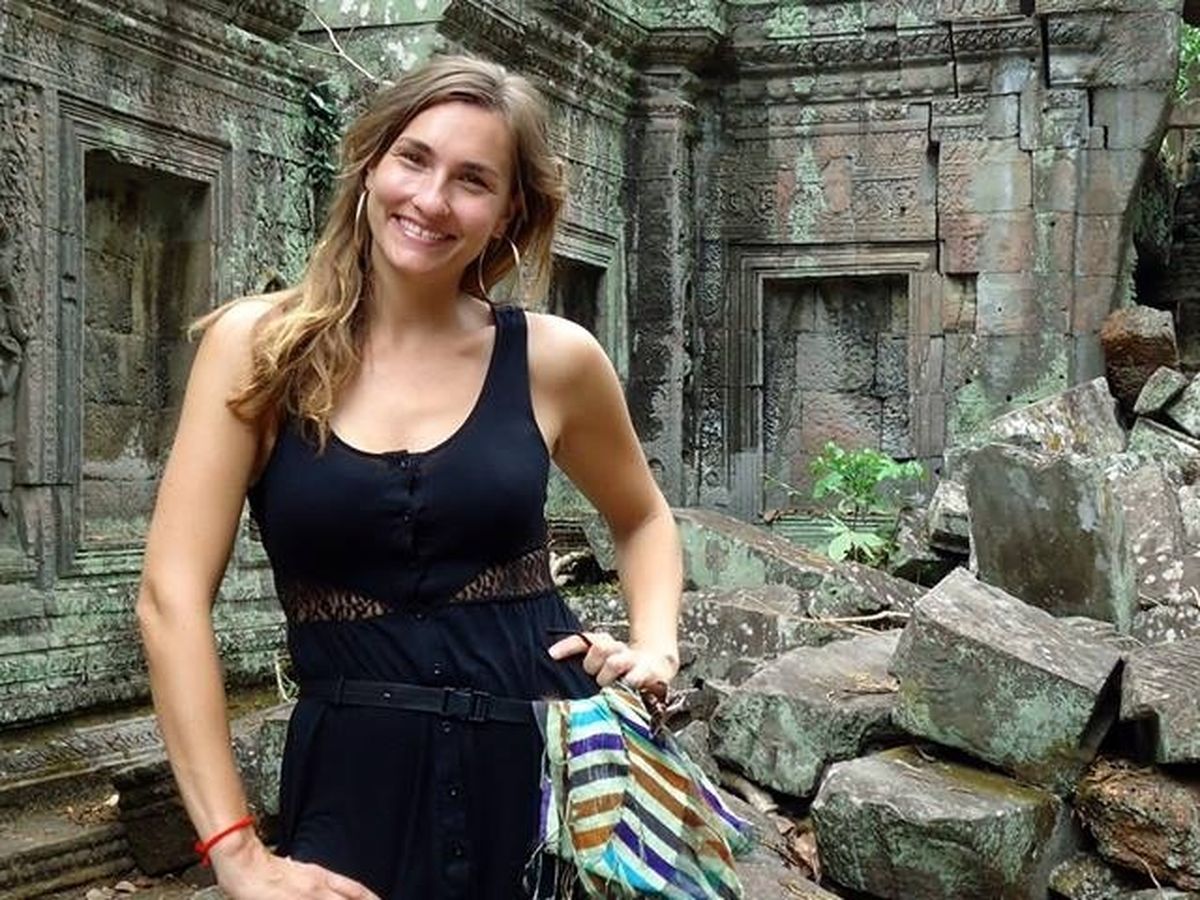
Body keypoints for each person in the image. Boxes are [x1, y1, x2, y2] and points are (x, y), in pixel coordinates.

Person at [135, 54, 683, 899]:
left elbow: (642, 519)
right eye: (414, 159)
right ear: (369, 164)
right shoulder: (260, 350)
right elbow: (170, 597)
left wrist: (654, 646)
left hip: (551, 779)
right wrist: (235, 851)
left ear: (509, 211)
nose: (431, 200)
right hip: (355, 786)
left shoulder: (554, 359)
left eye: (473, 180)